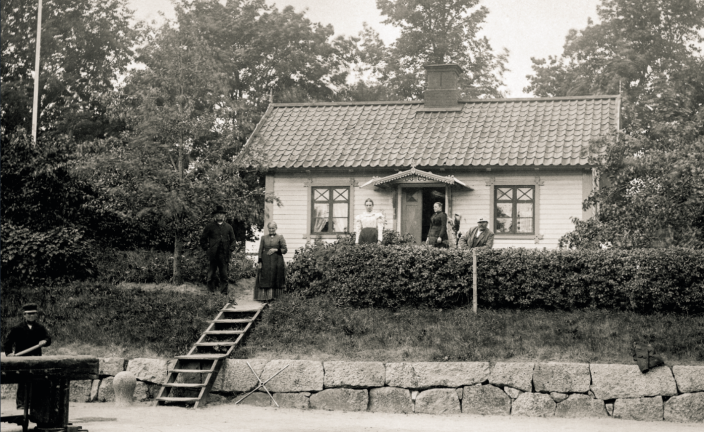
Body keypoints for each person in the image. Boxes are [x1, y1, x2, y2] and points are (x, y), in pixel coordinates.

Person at [3, 303, 52, 409]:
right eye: (28, 314)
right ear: (24, 315)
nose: (31, 316)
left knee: (36, 381)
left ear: (36, 315)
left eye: (33, 314)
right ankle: (21, 403)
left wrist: (45, 341)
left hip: (36, 358)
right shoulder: (17, 328)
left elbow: (48, 339)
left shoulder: (40, 328)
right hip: (22, 359)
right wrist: (9, 353)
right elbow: (7, 343)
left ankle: (34, 404)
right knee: (23, 380)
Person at [200, 205, 236, 295]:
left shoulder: (228, 227)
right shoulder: (210, 226)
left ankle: (224, 293)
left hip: (224, 255)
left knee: (224, 274)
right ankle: (210, 292)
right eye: (218, 214)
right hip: (213, 254)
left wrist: (231, 249)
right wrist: (207, 248)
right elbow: (203, 239)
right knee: (211, 274)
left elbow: (233, 240)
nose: (220, 216)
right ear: (215, 216)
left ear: (224, 216)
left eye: (221, 214)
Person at [254, 222, 287, 301]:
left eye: (273, 228)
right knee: (266, 277)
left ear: (276, 228)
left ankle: (276, 297)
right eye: (270, 228)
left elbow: (285, 250)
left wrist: (275, 249)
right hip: (266, 261)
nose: (271, 230)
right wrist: (260, 261)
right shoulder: (263, 238)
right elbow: (260, 250)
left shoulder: (280, 237)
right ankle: (265, 297)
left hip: (277, 260)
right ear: (268, 229)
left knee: (276, 277)